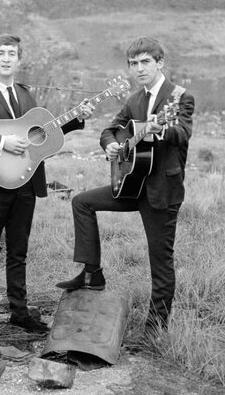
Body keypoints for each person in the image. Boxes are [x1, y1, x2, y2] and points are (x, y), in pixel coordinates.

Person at [0, 33, 94, 338]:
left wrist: (76, 118)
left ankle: (19, 313)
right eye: (0, 53)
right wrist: (2, 142)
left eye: (11, 54)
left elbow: (43, 133)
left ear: (19, 60)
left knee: (18, 253)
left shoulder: (27, 97)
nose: (6, 58)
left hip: (26, 185)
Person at [56, 36, 195, 334]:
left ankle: (154, 331)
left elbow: (182, 133)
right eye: (134, 63)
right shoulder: (134, 99)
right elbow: (110, 130)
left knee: (160, 262)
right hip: (131, 185)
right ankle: (92, 273)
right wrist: (112, 146)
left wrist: (159, 130)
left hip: (161, 192)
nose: (139, 69)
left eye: (146, 62)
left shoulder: (179, 97)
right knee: (82, 202)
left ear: (160, 63)